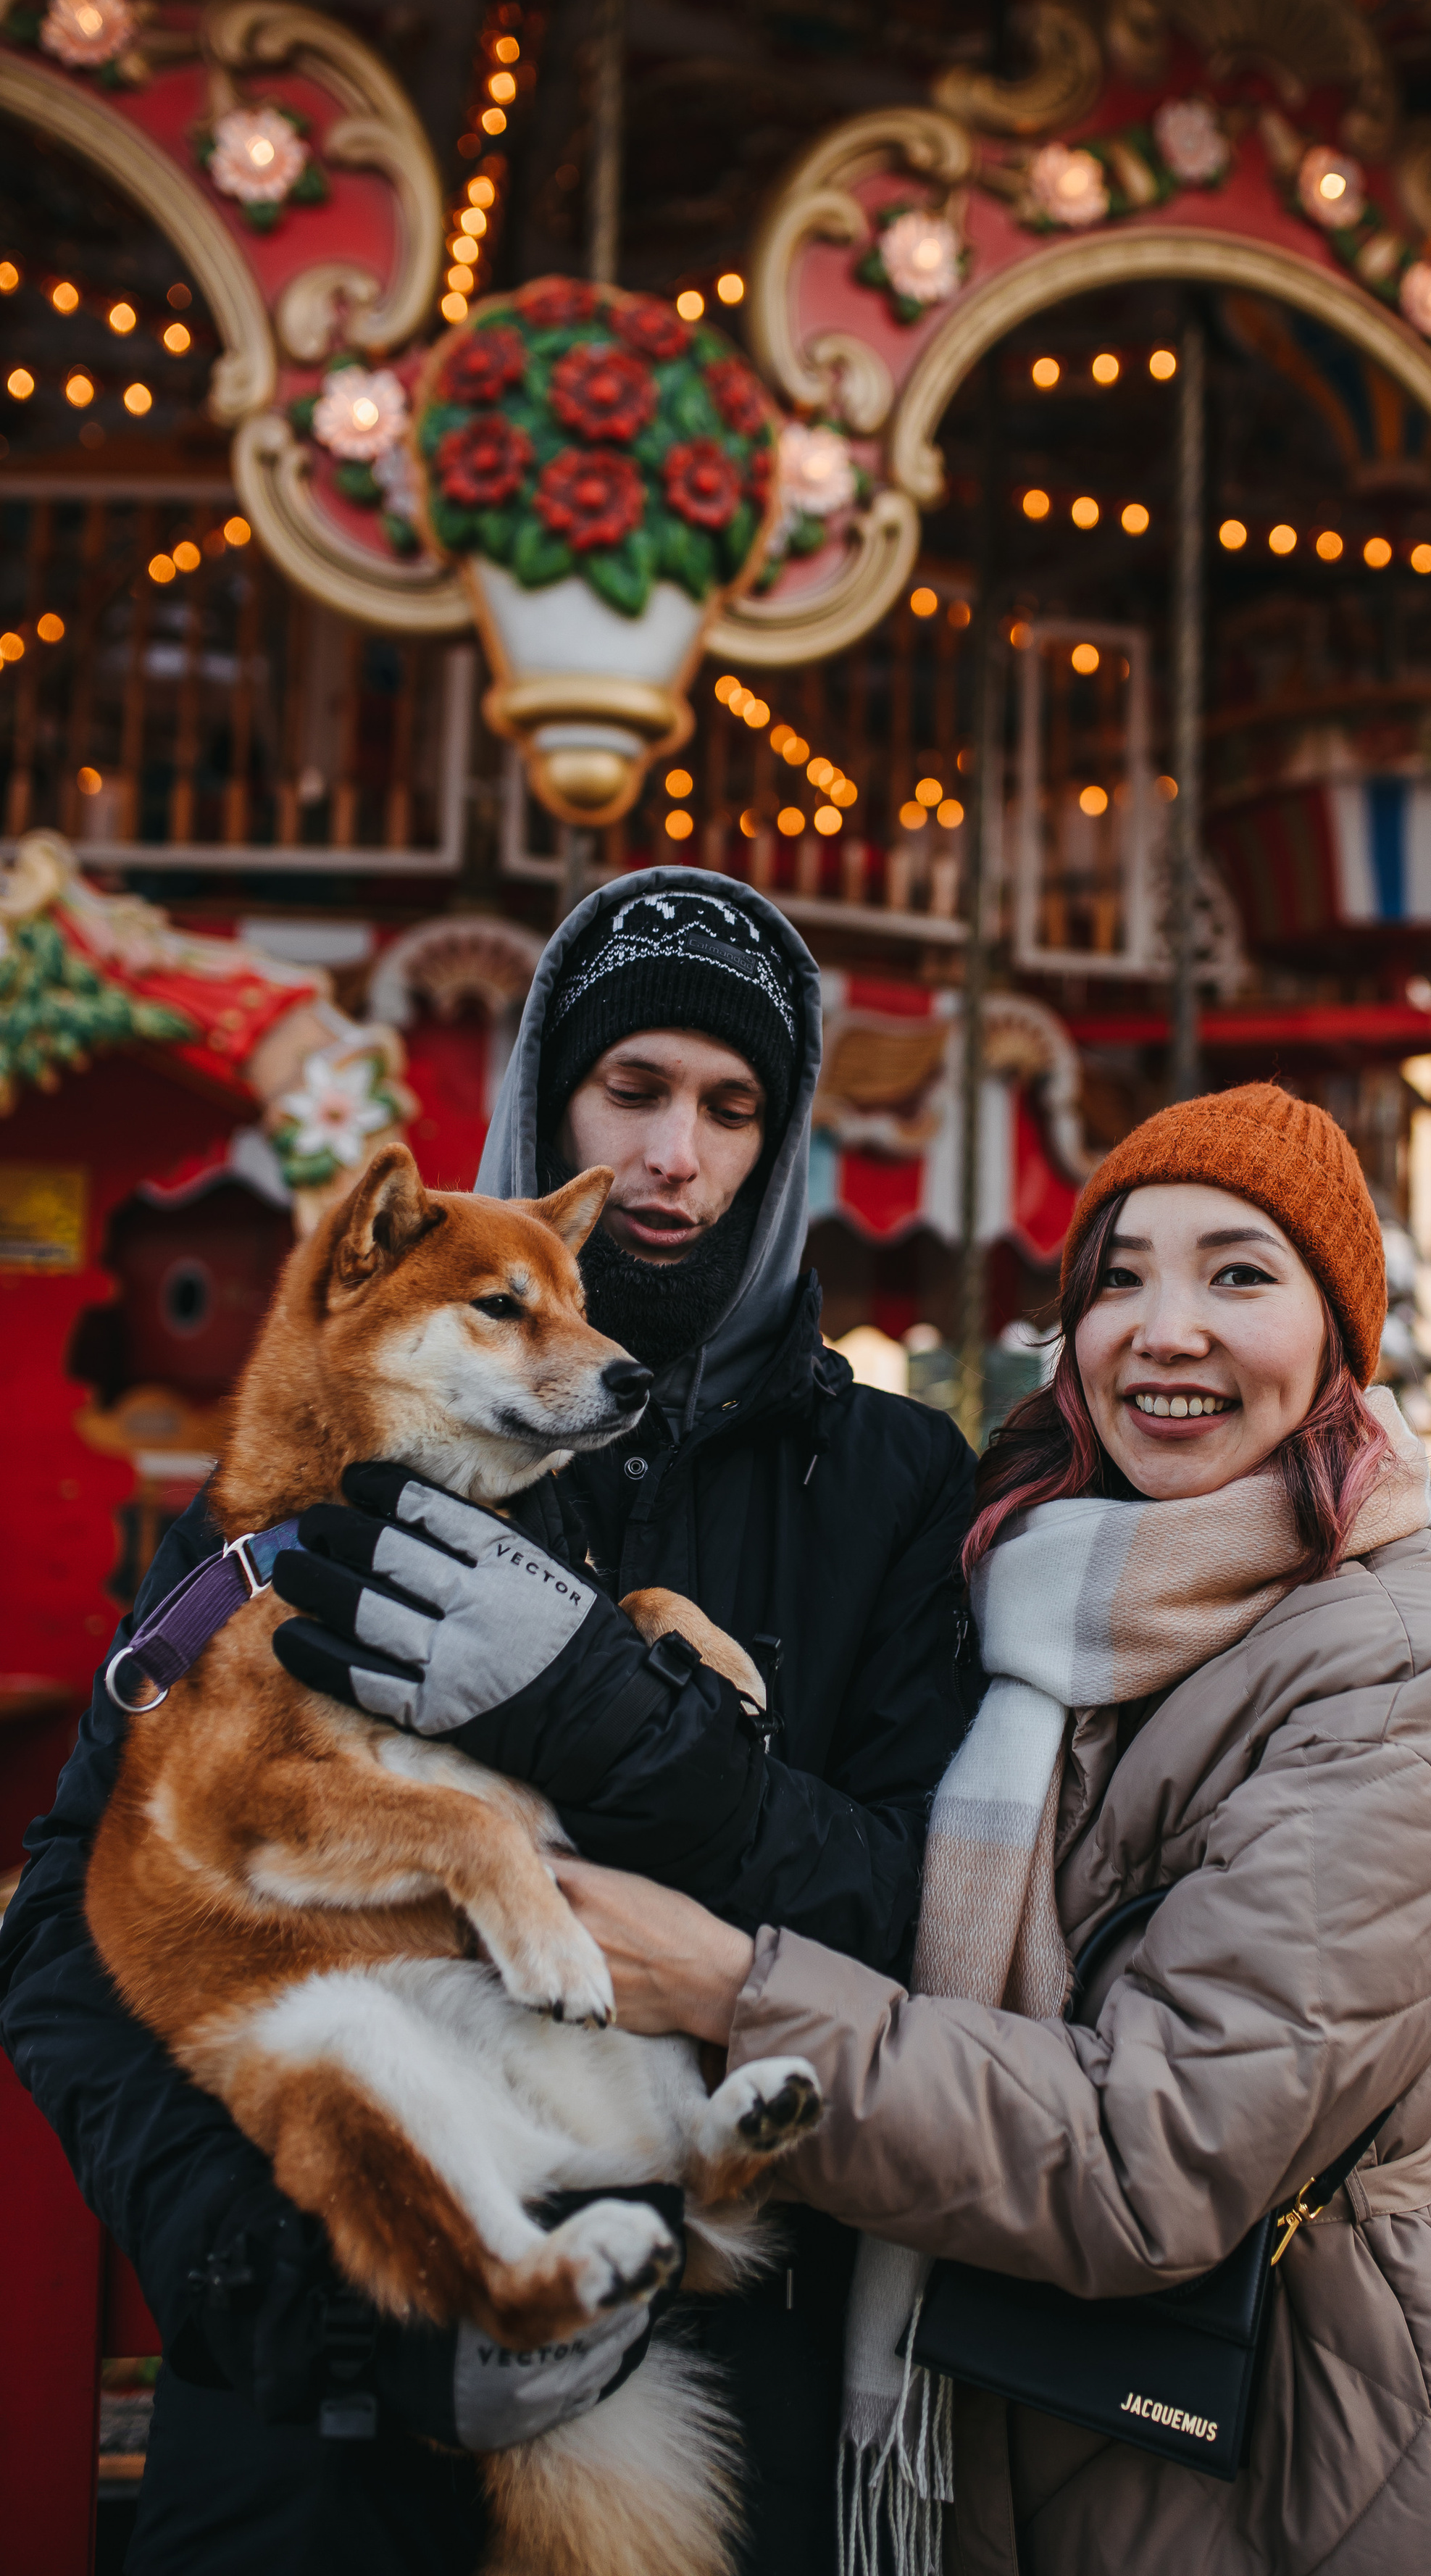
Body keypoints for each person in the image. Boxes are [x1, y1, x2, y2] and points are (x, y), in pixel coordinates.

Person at [0, 869, 974, 2576]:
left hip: (700, 2362)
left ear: (783, 1134)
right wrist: (273, 2267)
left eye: (731, 1105)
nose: (677, 1154)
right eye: (634, 1091)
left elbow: (916, 1914)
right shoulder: (306, 1476)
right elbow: (81, 1911)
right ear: (546, 1105)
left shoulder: (886, 1488)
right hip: (312, 2424)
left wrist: (617, 1721)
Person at [550, 1084, 1431, 2576]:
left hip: (1268, 2464)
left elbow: (1158, 2152)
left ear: (1341, 1341)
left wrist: (725, 1991)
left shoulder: (1394, 1670)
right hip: (1014, 2425)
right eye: (1117, 1278)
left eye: (1240, 1274)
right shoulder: (1054, 1605)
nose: (1165, 1328)